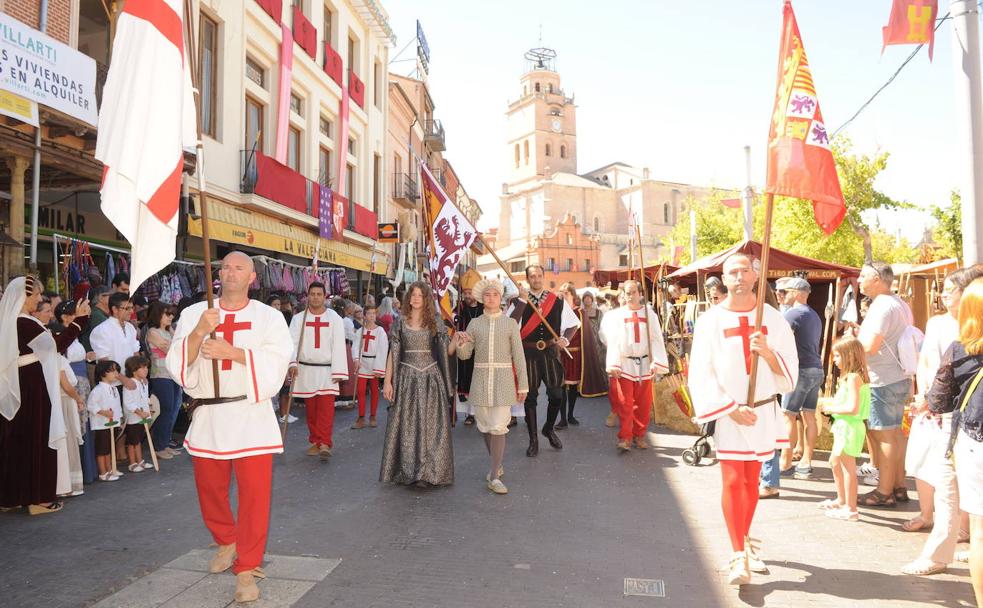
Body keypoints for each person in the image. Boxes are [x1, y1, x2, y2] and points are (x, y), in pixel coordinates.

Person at [165, 251, 293, 604]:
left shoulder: (269, 317)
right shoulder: (195, 313)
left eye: (238, 268)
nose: (230, 272)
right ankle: (226, 539)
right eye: (225, 267)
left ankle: (248, 568)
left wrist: (232, 352)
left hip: (250, 415)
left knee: (254, 498)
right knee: (210, 490)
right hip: (209, 416)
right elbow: (175, 362)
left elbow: (277, 363)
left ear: (252, 277)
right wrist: (200, 333)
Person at [689, 253, 798, 586]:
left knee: (752, 483)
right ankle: (738, 553)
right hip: (731, 413)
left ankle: (745, 538)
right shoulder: (710, 321)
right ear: (725, 278)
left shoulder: (774, 319)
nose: (738, 277)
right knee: (734, 481)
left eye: (744, 271)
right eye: (732, 272)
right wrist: (728, 408)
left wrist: (768, 352)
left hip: (763, 410)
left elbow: (790, 370)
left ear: (755, 275)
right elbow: (701, 372)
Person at [901, 267, 983, 577]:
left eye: (952, 289)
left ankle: (946, 552)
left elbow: (941, 394)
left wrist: (927, 401)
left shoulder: (962, 344)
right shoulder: (940, 326)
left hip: (961, 426)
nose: (945, 294)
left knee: (949, 489)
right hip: (954, 421)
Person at [0, 276, 89, 514]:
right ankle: (38, 498)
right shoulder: (25, 323)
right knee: (37, 438)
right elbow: (57, 345)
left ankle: (12, 496)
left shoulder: (11, 322)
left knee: (17, 441)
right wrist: (79, 322)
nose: (40, 299)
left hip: (21, 382)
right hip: (32, 385)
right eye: (36, 295)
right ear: (25, 296)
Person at [926, 277, 983, 603]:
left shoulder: (958, 350)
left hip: (973, 444)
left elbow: (938, 402)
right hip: (973, 441)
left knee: (979, 532)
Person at [380, 282, 461, 487]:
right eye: (413, 295)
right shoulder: (400, 322)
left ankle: (428, 473)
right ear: (408, 298)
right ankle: (409, 471)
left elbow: (446, 351)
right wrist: (387, 381)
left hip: (430, 378)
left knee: (430, 426)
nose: (416, 298)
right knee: (408, 426)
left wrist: (457, 340)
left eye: (420, 295)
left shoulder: (434, 321)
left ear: (426, 299)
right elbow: (393, 353)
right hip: (407, 377)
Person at [456, 278, 527, 494]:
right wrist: (462, 343)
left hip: (503, 380)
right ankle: (497, 463)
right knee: (485, 427)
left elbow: (519, 356)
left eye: (495, 295)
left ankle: (494, 475)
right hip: (480, 380)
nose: (491, 298)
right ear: (481, 298)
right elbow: (465, 355)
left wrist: (523, 385)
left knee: (498, 426)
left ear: (501, 298)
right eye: (487, 295)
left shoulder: (510, 324)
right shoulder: (475, 324)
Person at [759, 277, 824, 498]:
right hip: (816, 368)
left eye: (784, 292)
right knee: (809, 416)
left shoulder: (792, 314)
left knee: (788, 416)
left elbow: (775, 339)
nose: (781, 296)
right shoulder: (814, 314)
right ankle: (806, 460)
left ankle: (785, 462)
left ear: (797, 293)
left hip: (802, 371)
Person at [857, 262, 914, 507]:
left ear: (877, 279)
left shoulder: (881, 306)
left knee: (885, 435)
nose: (859, 280)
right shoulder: (899, 303)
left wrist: (852, 347)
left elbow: (870, 346)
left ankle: (884, 491)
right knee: (895, 435)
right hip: (898, 376)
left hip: (884, 378)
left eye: (862, 276)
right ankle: (898, 486)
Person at [508, 265, 580, 456]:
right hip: (528, 354)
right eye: (533, 276)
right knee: (530, 398)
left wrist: (566, 339)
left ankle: (548, 428)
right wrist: (521, 303)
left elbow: (573, 323)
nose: (537, 279)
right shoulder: (517, 301)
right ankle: (533, 440)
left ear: (543, 277)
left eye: (539, 276)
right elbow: (510, 325)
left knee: (556, 395)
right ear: (527, 278)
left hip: (550, 352)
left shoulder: (556, 300)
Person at [601, 280, 669, 451]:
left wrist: (657, 361)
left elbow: (655, 339)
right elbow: (613, 341)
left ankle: (639, 435)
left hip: (644, 363)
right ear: (623, 295)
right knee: (625, 404)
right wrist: (614, 364)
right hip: (625, 364)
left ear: (640, 294)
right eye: (627, 293)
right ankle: (625, 437)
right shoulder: (617, 316)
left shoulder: (649, 315)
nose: (630, 296)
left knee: (644, 404)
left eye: (633, 292)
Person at [287, 282, 348, 459]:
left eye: (318, 294)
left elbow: (338, 344)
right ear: (308, 296)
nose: (315, 297)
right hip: (306, 369)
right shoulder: (299, 319)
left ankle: (325, 443)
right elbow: (292, 342)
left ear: (324, 296)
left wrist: (338, 371)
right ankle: (315, 440)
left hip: (327, 370)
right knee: (311, 409)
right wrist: (292, 363)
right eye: (312, 294)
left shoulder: (334, 318)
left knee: (326, 408)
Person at [817, 336, 871, 521]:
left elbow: (852, 408)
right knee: (834, 462)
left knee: (848, 469)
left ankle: (851, 509)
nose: (835, 360)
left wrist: (831, 408)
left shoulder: (854, 378)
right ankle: (842, 500)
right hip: (844, 427)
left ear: (848, 356)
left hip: (850, 427)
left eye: (838, 356)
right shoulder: (850, 378)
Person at [554, 284, 607, 429]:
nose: (563, 295)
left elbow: (586, 336)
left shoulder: (579, 313)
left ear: (573, 295)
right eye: (561, 293)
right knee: (561, 387)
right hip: (560, 355)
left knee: (572, 388)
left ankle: (570, 415)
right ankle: (563, 418)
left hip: (576, 355)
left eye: (566, 293)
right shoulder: (556, 311)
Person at [143, 302, 183, 461]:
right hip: (159, 375)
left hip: (171, 375)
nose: (171, 317)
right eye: (167, 314)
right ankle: (159, 445)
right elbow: (171, 349)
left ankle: (165, 443)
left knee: (171, 410)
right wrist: (174, 346)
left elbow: (177, 346)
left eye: (172, 314)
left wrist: (173, 346)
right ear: (158, 314)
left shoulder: (169, 330)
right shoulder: (152, 331)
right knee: (164, 410)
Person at [56, 343, 86, 496]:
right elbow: (66, 385)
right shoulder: (57, 359)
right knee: (67, 442)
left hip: (62, 400)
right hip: (64, 401)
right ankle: (66, 486)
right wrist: (78, 399)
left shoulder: (55, 358)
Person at [351, 305, 388, 430]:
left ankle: (373, 415)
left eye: (374, 313)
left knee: (374, 390)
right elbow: (356, 346)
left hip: (374, 362)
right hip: (363, 362)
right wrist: (356, 359)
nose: (372, 316)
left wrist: (379, 367)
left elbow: (383, 349)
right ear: (364, 315)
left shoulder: (380, 331)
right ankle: (361, 417)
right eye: (369, 313)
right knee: (361, 390)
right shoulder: (360, 331)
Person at [456, 270, 483, 426]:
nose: (467, 295)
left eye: (470, 292)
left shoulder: (484, 307)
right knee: (468, 381)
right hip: (466, 350)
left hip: (480, 349)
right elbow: (453, 325)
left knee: (479, 381)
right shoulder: (459, 307)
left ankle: (479, 413)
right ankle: (470, 414)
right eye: (465, 292)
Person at [87, 360, 123, 482]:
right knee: (102, 449)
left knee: (109, 447)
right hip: (101, 425)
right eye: (112, 371)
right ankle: (103, 472)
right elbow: (91, 406)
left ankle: (110, 469)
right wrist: (104, 412)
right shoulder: (97, 390)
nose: (116, 373)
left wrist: (120, 419)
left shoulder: (114, 389)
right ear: (103, 373)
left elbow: (117, 406)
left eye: (116, 370)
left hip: (113, 423)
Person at [121, 355, 153, 473]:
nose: (146, 370)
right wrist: (140, 412)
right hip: (133, 418)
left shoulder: (143, 382)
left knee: (138, 440)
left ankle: (140, 461)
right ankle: (132, 463)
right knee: (132, 442)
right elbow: (128, 403)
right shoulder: (130, 384)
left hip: (142, 417)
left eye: (146, 367)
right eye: (142, 368)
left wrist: (148, 408)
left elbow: (144, 398)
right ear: (134, 370)